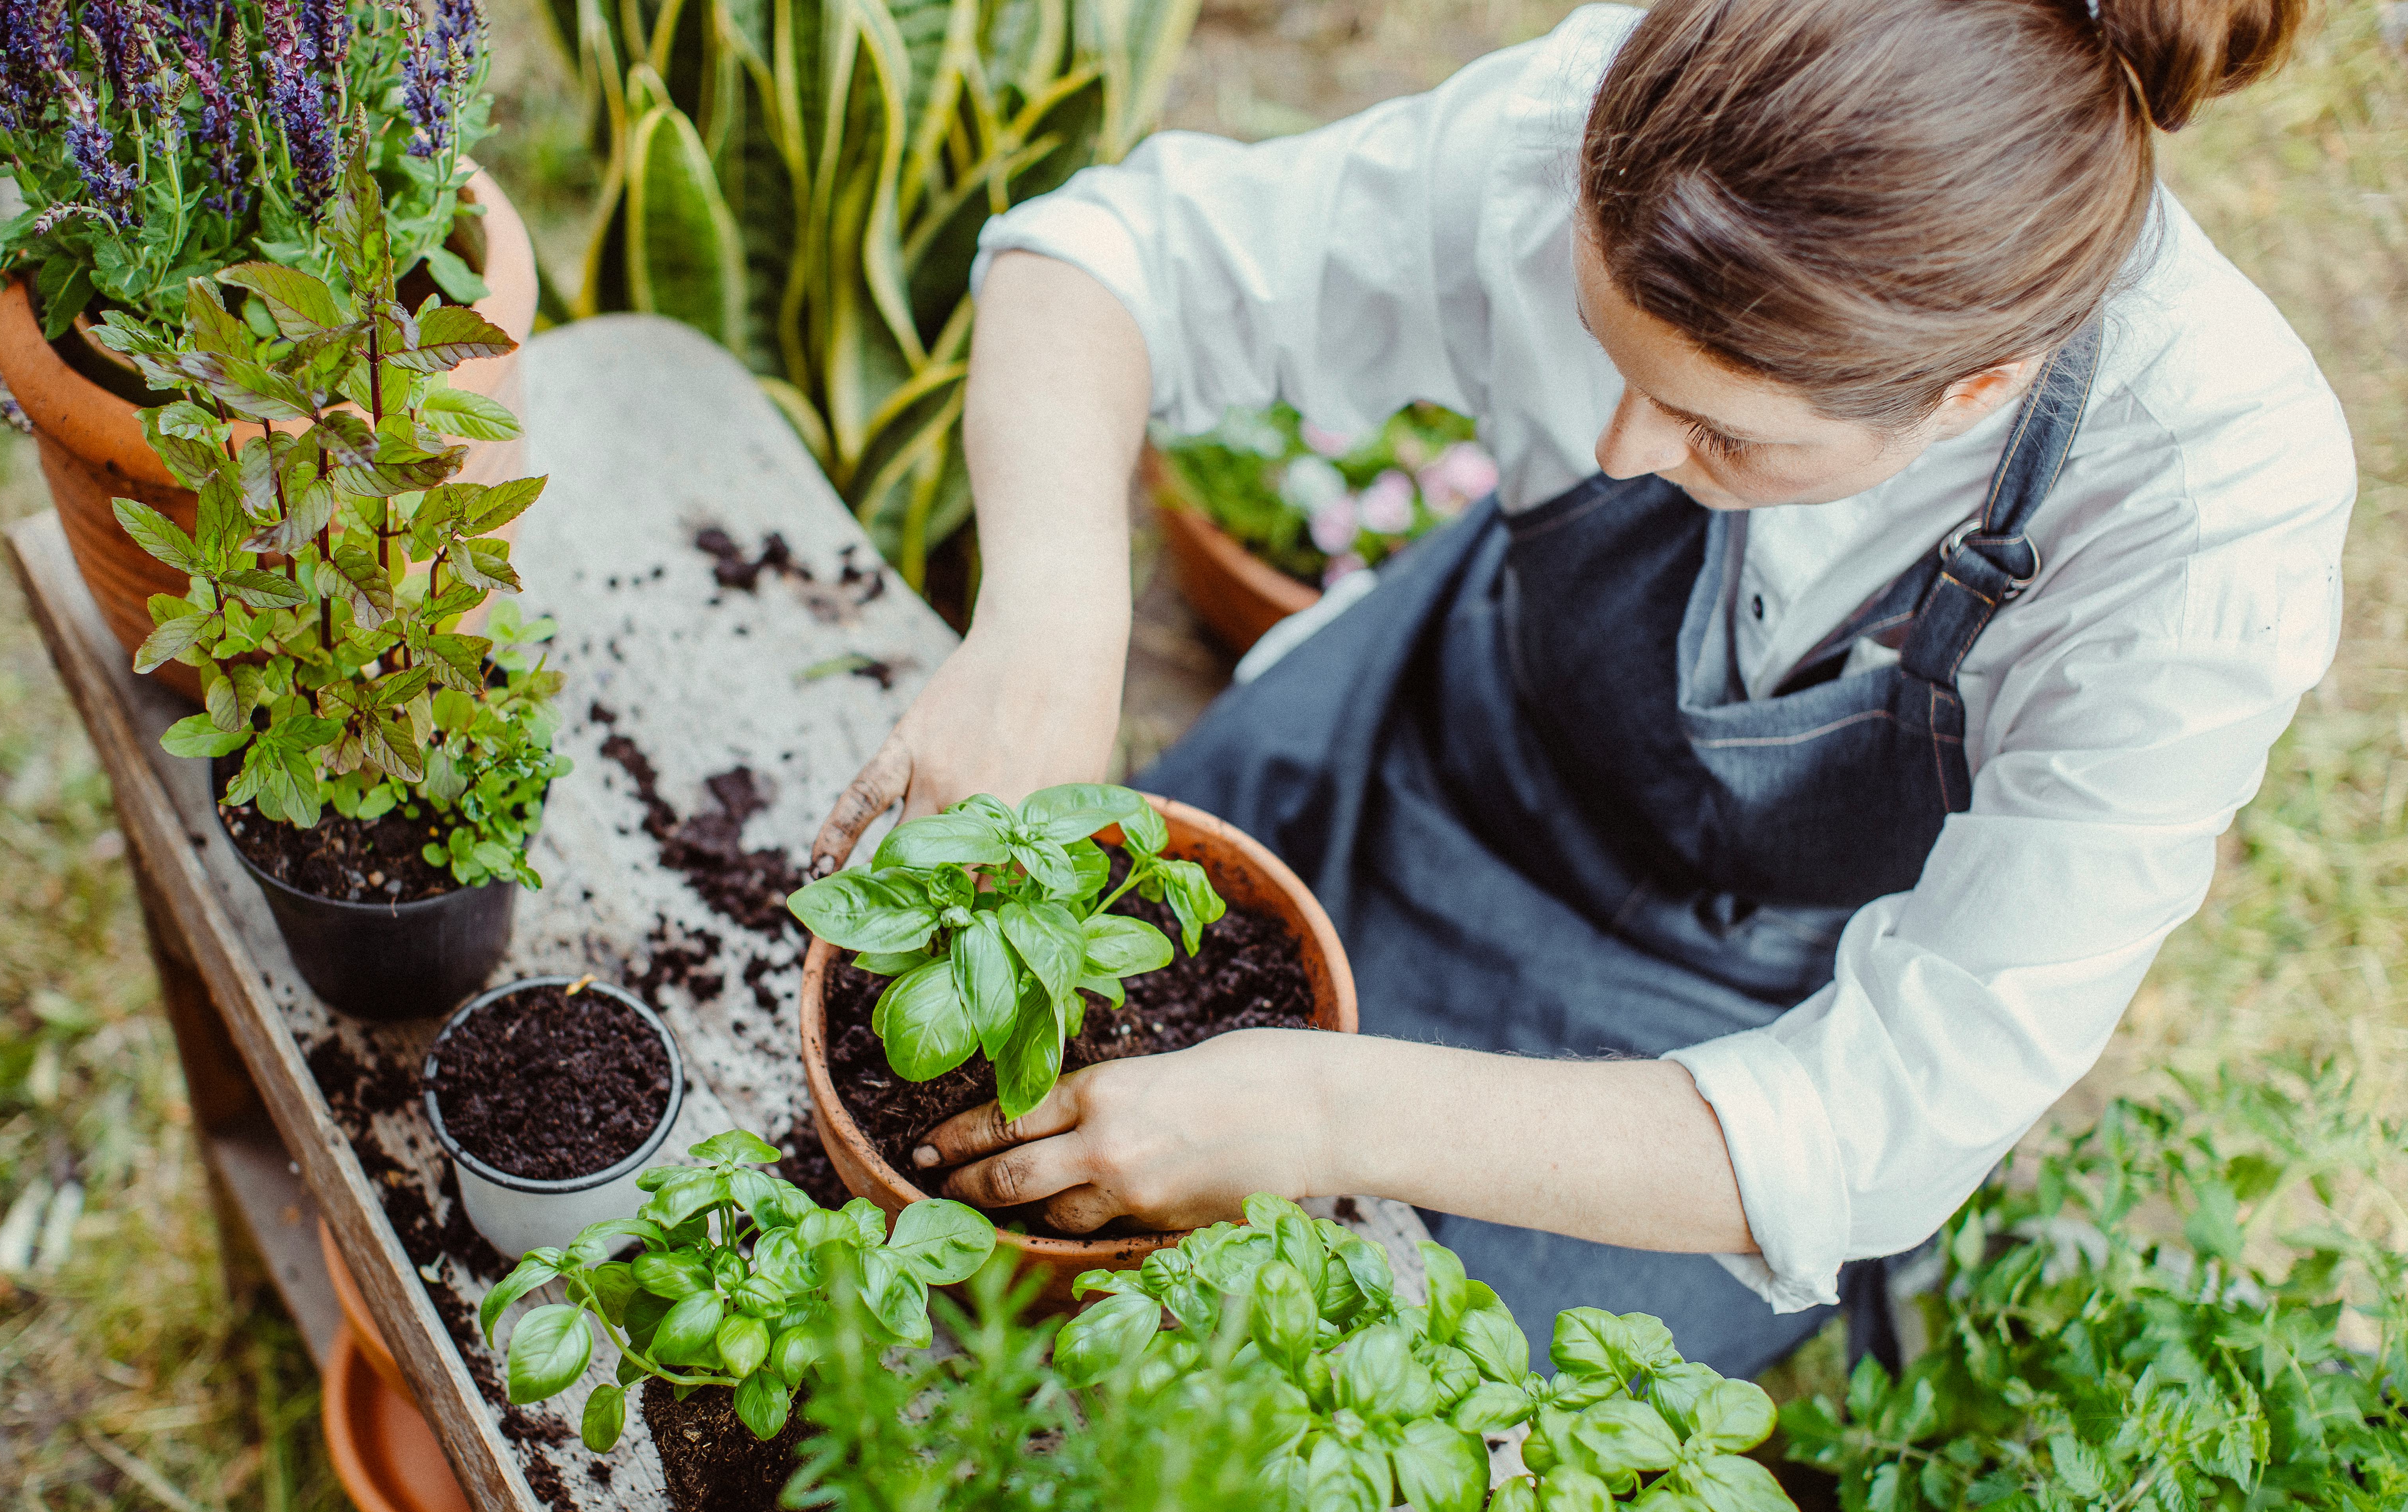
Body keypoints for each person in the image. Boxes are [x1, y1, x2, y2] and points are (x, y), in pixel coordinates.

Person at [808, 0, 2349, 1378]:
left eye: (1712, 432)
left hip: (1718, 1028)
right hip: (1439, 730)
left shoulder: (2199, 508)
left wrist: (1318, 1112)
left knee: (1319, 1395)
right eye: (1600, 351)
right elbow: (1107, 261)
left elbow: (1876, 1117)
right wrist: (1050, 623)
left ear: (1971, 394)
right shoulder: (1619, 123)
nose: (1616, 451)